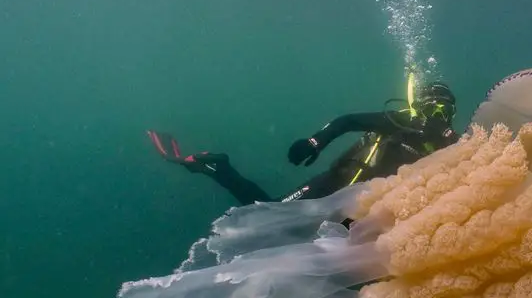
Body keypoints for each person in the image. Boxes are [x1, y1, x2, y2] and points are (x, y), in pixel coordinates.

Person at [147, 77, 459, 206]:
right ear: (420, 105)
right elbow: (348, 121)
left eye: (446, 110)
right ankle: (218, 168)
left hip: (369, 209)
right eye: (433, 106)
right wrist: (315, 142)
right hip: (336, 183)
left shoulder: (451, 144)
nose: (439, 115)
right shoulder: (401, 121)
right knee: (268, 214)